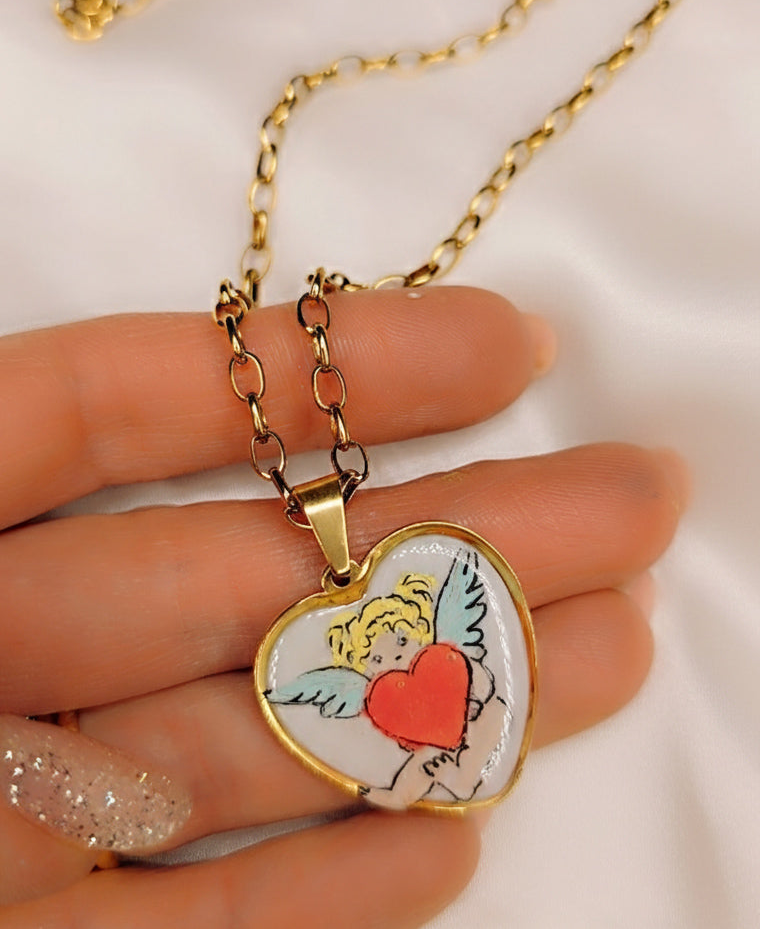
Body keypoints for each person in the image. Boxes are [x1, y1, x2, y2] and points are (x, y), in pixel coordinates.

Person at [0, 287, 687, 926]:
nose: (393, 655)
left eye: (396, 643)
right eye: (379, 651)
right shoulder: (355, 685)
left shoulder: (446, 638)